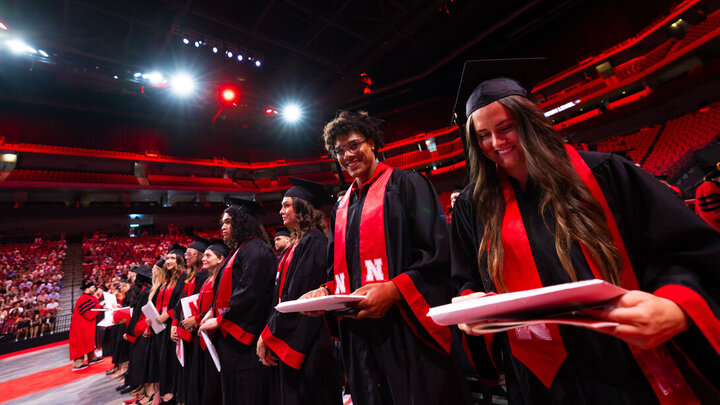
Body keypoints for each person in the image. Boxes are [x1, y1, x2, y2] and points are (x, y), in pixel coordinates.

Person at [449, 59, 720, 404]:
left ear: (531, 123)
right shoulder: (475, 206)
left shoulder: (606, 174)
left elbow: (684, 250)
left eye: (506, 128)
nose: (496, 143)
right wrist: (472, 300)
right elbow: (467, 277)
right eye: (483, 135)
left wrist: (676, 305)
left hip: (624, 357)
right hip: (540, 375)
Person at [300, 111, 471, 404]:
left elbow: (437, 255)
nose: (347, 155)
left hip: (405, 332)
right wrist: (326, 291)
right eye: (339, 151)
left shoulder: (408, 185)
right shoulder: (341, 208)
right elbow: (338, 270)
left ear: (372, 143)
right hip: (358, 337)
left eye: (354, 145)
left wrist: (394, 290)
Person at [257, 177, 342, 404]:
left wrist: (269, 336)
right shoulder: (297, 244)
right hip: (298, 336)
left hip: (311, 342)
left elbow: (298, 297)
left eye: (286, 205)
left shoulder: (313, 242)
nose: (281, 210)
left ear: (302, 207)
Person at [198, 198, 277, 405]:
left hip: (246, 336)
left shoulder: (256, 249)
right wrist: (212, 311)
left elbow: (251, 292)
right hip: (232, 338)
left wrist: (222, 318)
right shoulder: (240, 250)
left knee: (247, 392)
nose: (223, 227)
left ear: (242, 222)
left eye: (228, 222)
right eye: (222, 223)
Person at [187, 239, 228, 405]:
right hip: (203, 334)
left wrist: (198, 319)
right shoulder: (208, 279)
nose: (204, 259)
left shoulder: (221, 279)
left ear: (220, 259)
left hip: (215, 334)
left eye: (208, 256)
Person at [172, 236, 210, 405]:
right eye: (185, 254)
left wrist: (195, 319)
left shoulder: (203, 275)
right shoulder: (188, 276)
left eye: (190, 254)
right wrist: (174, 323)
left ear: (200, 255)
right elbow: (179, 303)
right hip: (185, 325)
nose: (186, 256)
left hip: (196, 328)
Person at [69, 280, 103, 370]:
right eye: (93, 287)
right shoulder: (82, 299)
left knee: (89, 341)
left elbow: (96, 309)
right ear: (87, 289)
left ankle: (92, 358)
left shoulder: (91, 297)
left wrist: (101, 307)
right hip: (80, 325)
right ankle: (77, 363)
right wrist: (100, 305)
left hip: (87, 324)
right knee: (81, 343)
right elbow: (88, 314)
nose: (95, 288)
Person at [695, 163, 720, 232]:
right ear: (714, 177)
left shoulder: (702, 187)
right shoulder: (708, 187)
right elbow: (715, 213)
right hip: (716, 225)